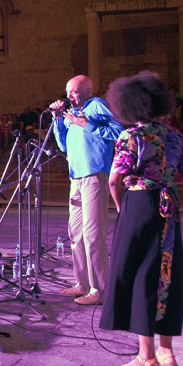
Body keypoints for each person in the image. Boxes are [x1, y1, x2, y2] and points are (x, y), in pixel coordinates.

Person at [99, 71, 183, 366]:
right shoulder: (173, 134)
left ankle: (146, 358)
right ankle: (167, 353)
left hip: (139, 206)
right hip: (169, 205)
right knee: (166, 274)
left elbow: (115, 180)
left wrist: (123, 209)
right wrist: (167, 180)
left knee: (138, 276)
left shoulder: (130, 136)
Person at [49, 74, 125, 306]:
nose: (68, 95)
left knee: (93, 236)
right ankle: (81, 284)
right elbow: (63, 145)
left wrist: (87, 124)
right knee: (76, 235)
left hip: (95, 175)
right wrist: (57, 121)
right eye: (67, 91)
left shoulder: (97, 106)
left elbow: (120, 132)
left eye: (73, 91)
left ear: (87, 91)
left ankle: (99, 289)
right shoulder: (71, 113)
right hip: (76, 177)